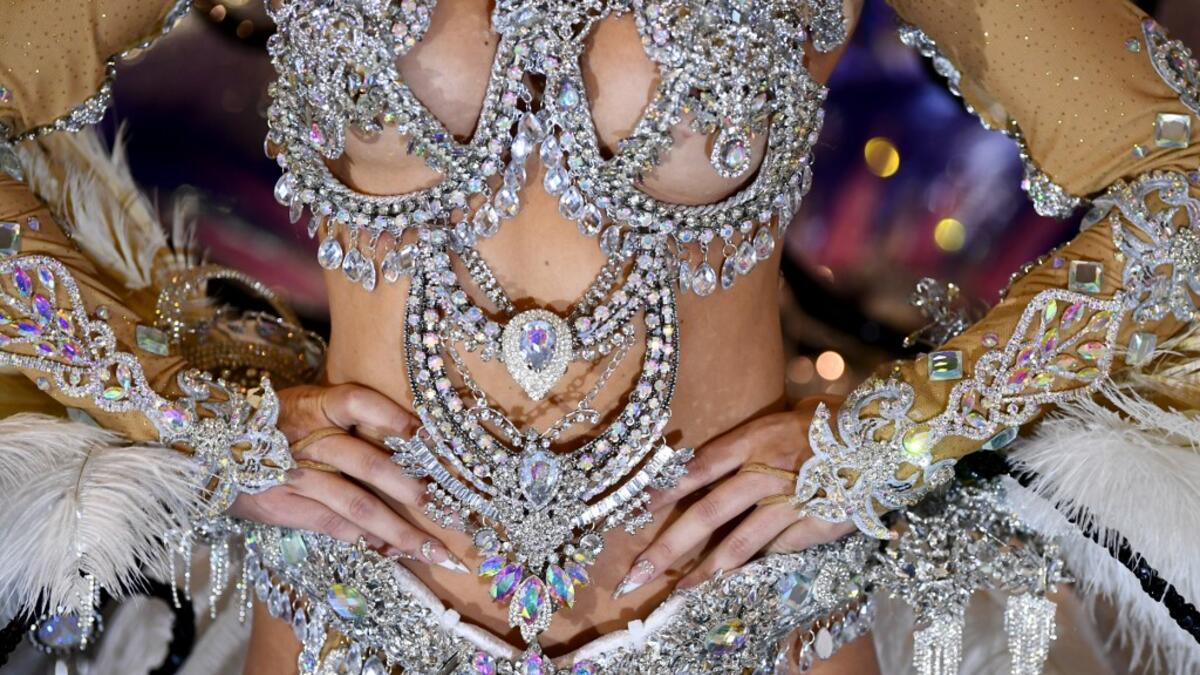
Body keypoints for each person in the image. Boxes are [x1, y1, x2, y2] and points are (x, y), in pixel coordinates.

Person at [0, 0, 1197, 673]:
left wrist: (901, 434)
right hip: (351, 623)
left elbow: (1178, 186)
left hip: (747, 622)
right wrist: (188, 405)